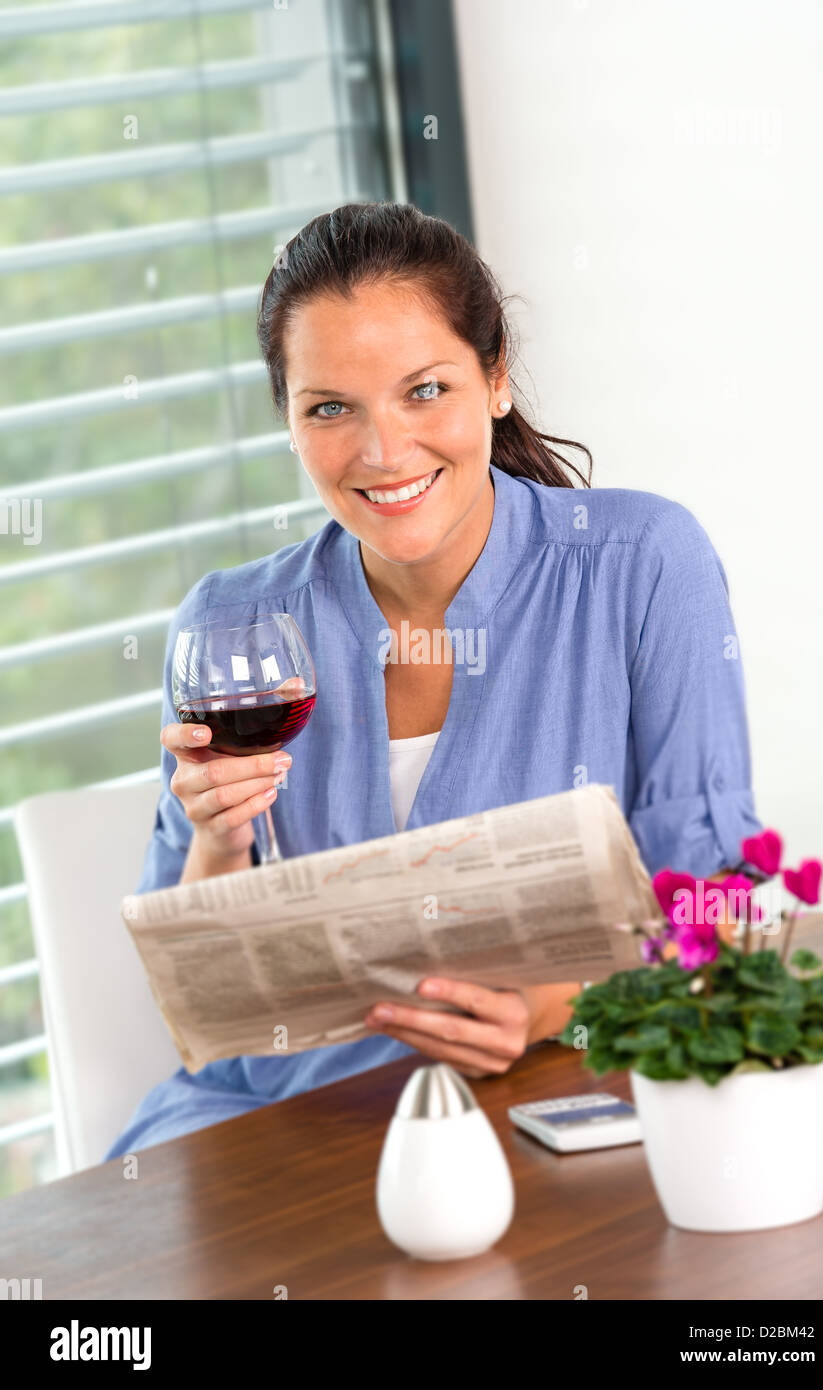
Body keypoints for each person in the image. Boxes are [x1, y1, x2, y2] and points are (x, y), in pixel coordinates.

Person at [103, 202, 763, 1159]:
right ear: (289, 423)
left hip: (553, 1109)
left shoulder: (643, 564)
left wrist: (549, 1007)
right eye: (330, 407)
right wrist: (217, 837)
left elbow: (721, 912)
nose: (382, 451)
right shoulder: (228, 628)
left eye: (424, 390)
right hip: (281, 1132)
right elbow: (205, 1017)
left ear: (495, 379)